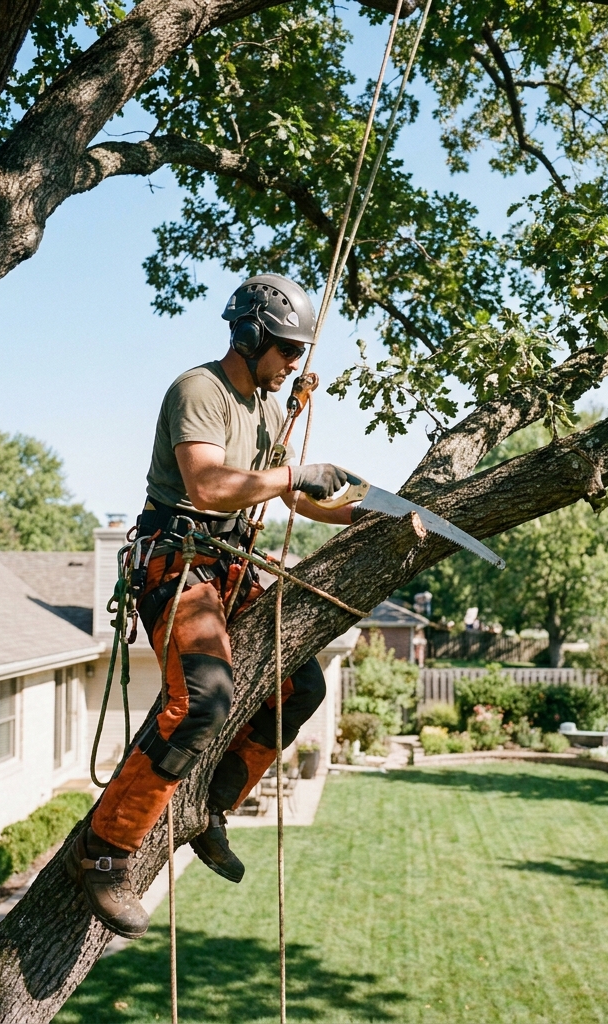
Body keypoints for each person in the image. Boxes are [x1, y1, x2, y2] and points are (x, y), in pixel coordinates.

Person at [66, 274, 359, 938]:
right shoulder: (198, 390)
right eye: (285, 349)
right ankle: (104, 851)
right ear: (251, 335)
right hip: (179, 558)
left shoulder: (269, 409)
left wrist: (354, 516)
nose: (292, 364)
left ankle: (210, 807)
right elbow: (208, 482)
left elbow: (293, 496)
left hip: (226, 565)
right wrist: (291, 475)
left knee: (301, 684)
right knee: (203, 699)